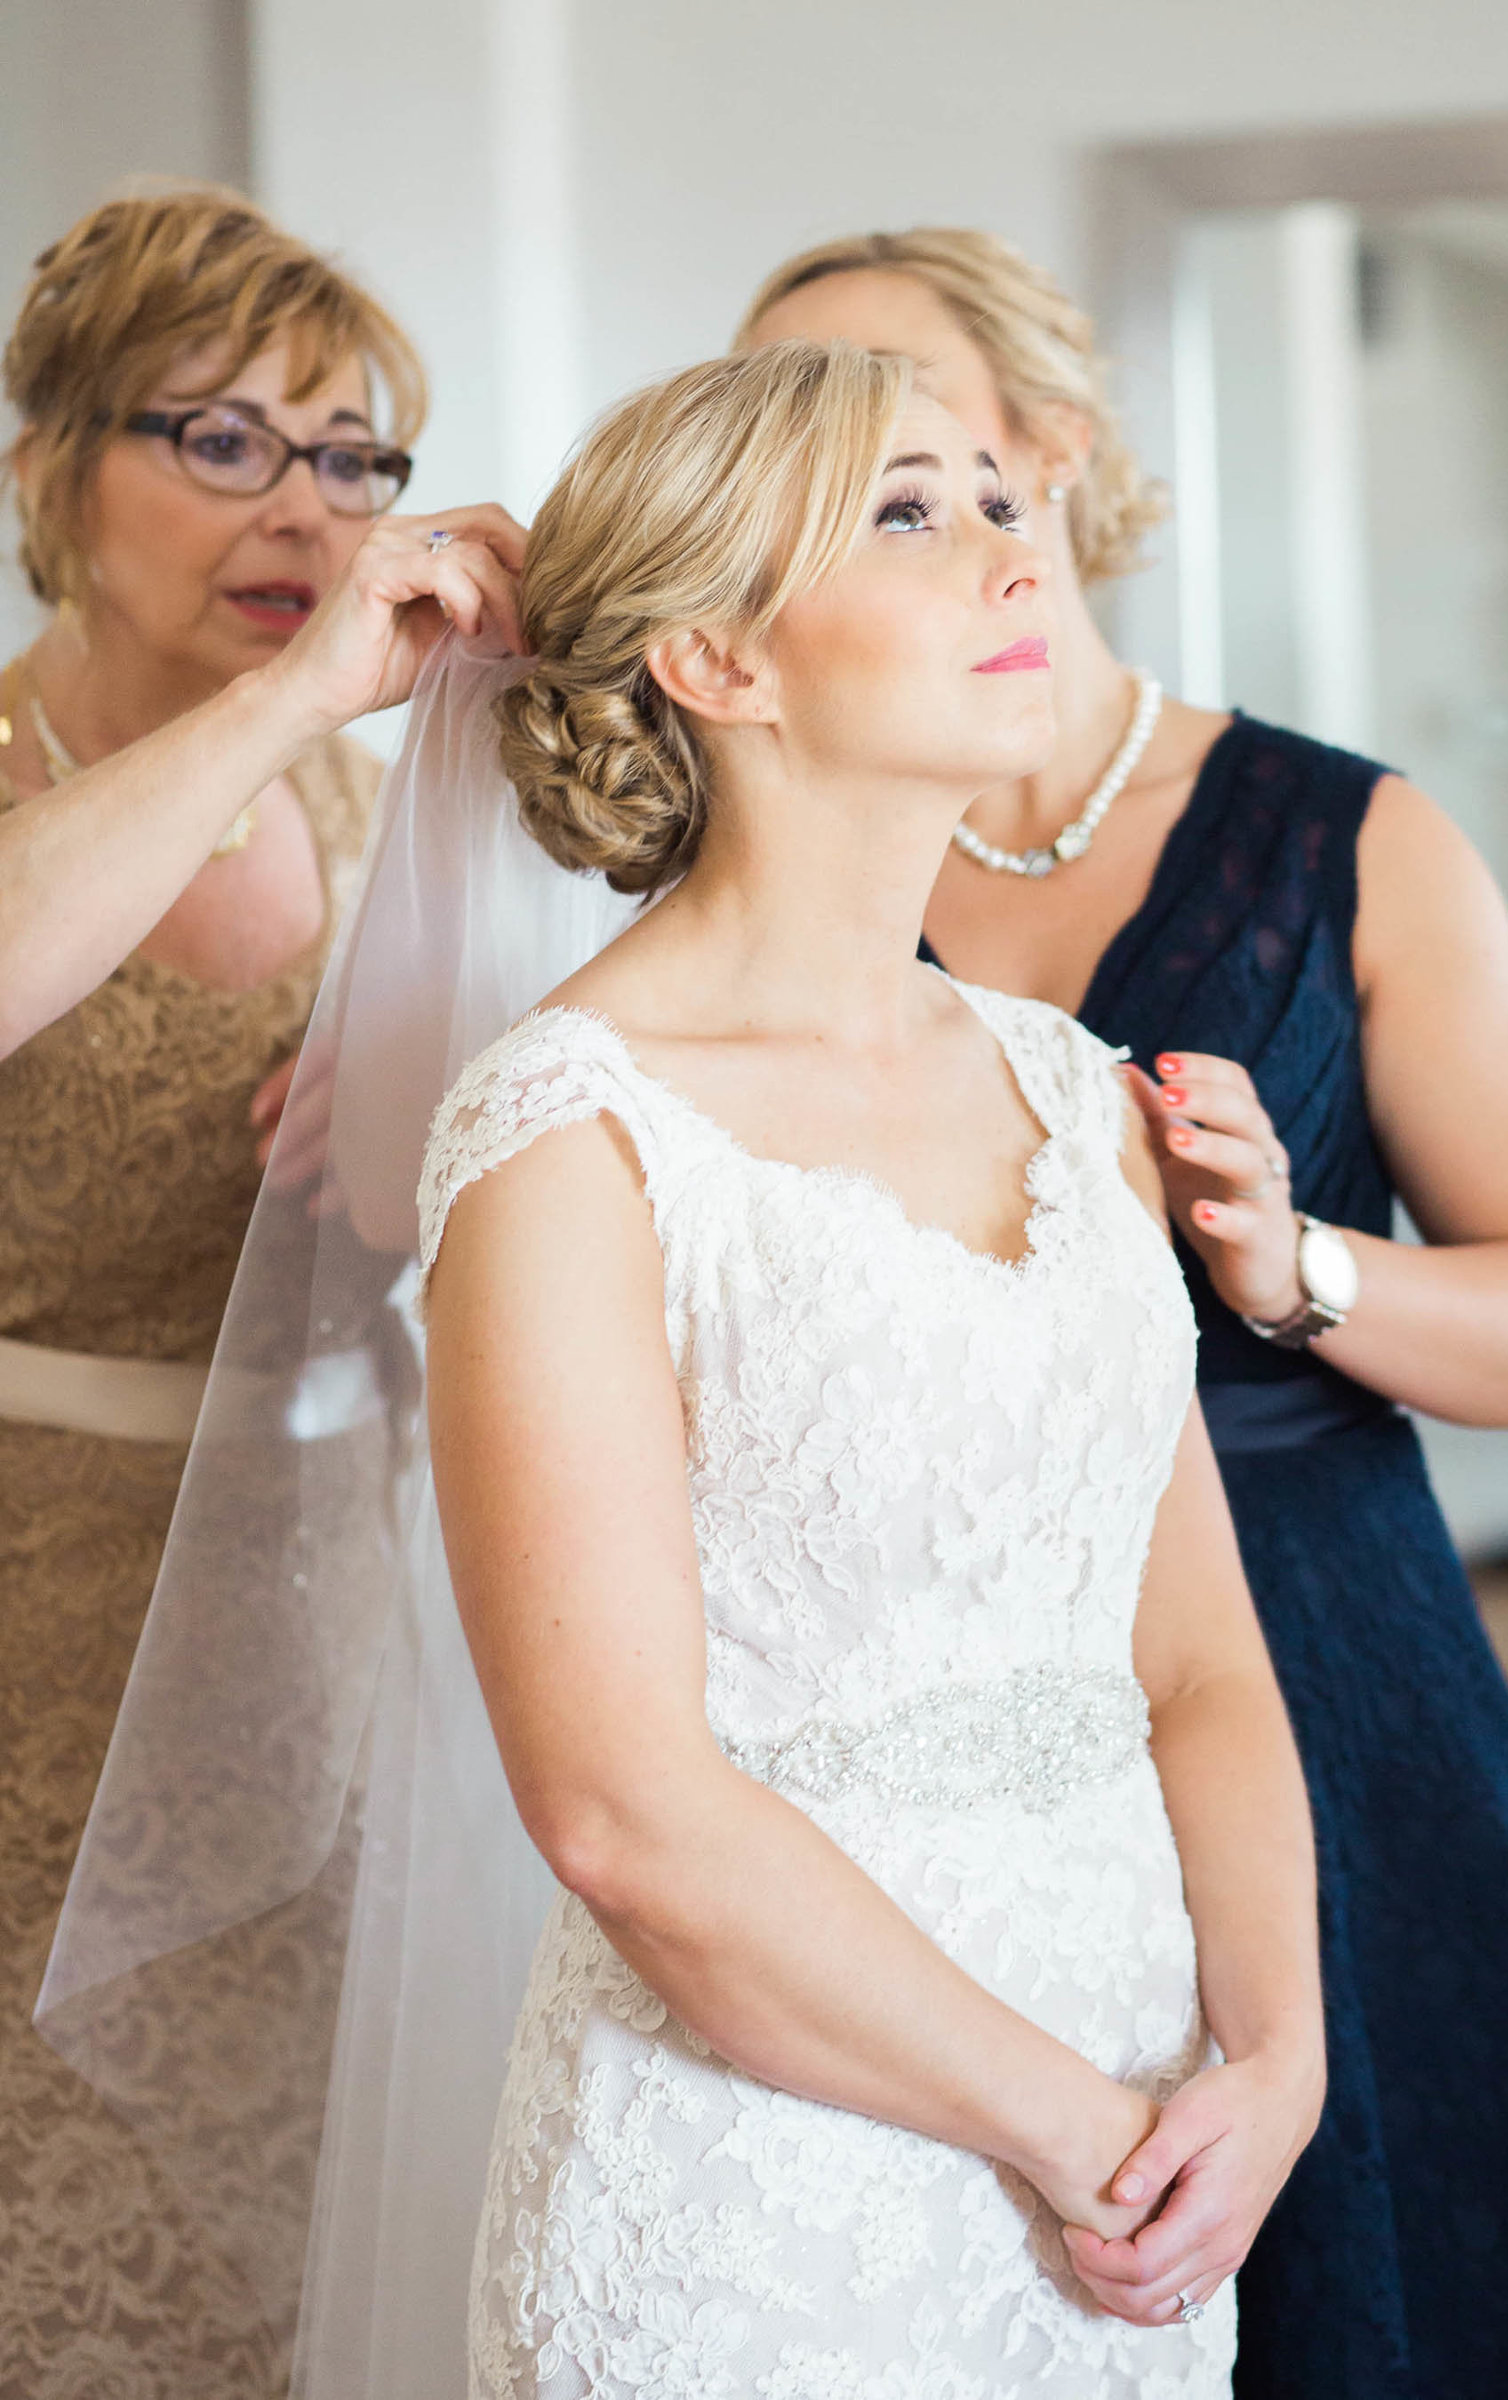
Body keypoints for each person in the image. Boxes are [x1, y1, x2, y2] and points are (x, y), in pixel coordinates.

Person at [736, 227, 1508, 2399]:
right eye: (779, 431)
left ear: (1052, 458)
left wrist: (1295, 1269)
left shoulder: (1345, 840)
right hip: (915, 1713)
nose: (829, 462)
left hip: (1320, 1674)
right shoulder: (761, 871)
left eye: (893, 418)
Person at [417, 336, 1324, 2396]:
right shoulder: (571, 1135)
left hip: (1141, 2161)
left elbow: (1187, 1651)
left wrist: (1269, 2061)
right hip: (764, 2193)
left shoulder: (1079, 1093)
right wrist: (1065, 2132)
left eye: (1003, 502)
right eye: (910, 513)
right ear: (718, 664)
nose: (1009, 556)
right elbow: (619, 1812)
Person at [0, 183, 524, 2397]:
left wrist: (399, 1153)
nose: (297, 504)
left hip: (334, 1602)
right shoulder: (144, 749)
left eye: (347, 453)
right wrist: (312, 679)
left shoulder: (371, 786)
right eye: (218, 439)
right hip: (32, 1613)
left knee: (327, 2211)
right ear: (52, 468)